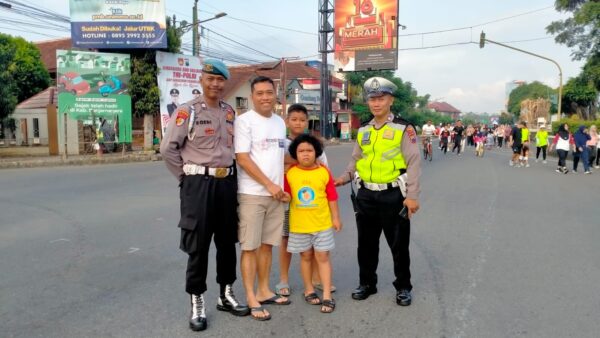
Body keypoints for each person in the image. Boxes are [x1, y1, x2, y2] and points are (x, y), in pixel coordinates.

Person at [160, 59, 249, 332]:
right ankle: (197, 300)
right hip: (197, 184)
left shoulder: (229, 112)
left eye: (220, 80)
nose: (215, 84)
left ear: (224, 83)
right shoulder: (187, 112)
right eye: (210, 79)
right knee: (198, 245)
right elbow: (168, 149)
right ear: (201, 80)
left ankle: (226, 293)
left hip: (226, 183)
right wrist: (186, 179)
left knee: (226, 241)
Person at [334, 76, 421, 306]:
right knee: (366, 244)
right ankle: (367, 284)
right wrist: (344, 178)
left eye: (381, 98)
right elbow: (356, 160)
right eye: (372, 98)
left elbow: (413, 163)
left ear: (390, 100)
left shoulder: (403, 128)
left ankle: (403, 287)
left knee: (399, 245)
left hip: (394, 196)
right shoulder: (363, 130)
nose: (376, 103)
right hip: (366, 195)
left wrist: (412, 196)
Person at [235, 76, 289, 321]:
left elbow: (280, 158)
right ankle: (250, 296)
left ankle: (264, 289)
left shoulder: (279, 122)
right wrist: (269, 184)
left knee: (267, 245)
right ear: (252, 96)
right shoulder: (244, 121)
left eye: (269, 92)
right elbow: (243, 158)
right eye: (260, 93)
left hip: (276, 195)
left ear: (275, 93)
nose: (265, 97)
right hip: (252, 194)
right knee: (250, 247)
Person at [276, 104, 332, 297]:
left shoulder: (316, 145)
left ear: (307, 122)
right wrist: (296, 162)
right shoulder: (280, 142)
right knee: (286, 238)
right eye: (294, 119)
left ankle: (317, 278)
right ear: (286, 121)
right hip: (287, 198)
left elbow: (324, 171)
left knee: (316, 240)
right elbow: (274, 162)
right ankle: (283, 279)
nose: (298, 123)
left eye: (302, 120)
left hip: (313, 202)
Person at [283, 134, 342, 314]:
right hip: (300, 226)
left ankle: (326, 294)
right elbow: (287, 196)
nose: (306, 154)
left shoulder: (323, 171)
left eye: (309, 150)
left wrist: (336, 218)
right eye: (301, 151)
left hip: (322, 224)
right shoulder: (290, 173)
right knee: (306, 257)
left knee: (322, 257)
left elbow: (332, 197)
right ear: (295, 154)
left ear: (316, 152)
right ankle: (308, 289)